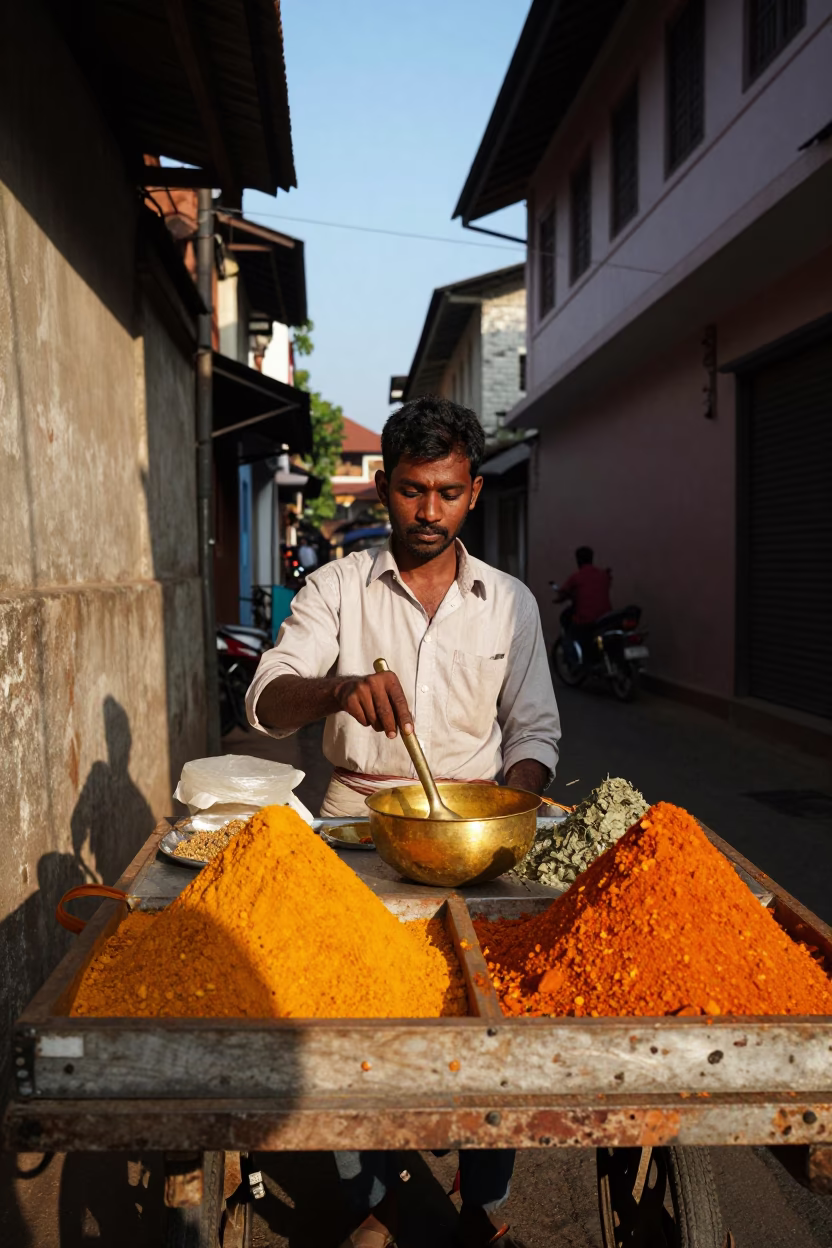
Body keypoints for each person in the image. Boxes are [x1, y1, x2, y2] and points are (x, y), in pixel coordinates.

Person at [246, 395, 560, 1248]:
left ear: (475, 492)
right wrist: (338, 688)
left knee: (497, 1022)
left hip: (477, 831)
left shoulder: (510, 604)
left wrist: (507, 803)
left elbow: (534, 731)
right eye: (414, 491)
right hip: (357, 819)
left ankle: (482, 1198)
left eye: (449, 493)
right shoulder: (338, 587)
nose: (430, 512)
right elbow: (267, 698)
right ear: (383, 488)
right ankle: (375, 1199)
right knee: (353, 1020)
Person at [555, 546, 612, 665]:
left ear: (578, 560)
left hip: (586, 619)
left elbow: (563, 592)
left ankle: (575, 662)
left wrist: (559, 598)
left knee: (569, 635)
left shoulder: (576, 577)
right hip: (606, 617)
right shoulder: (603, 575)